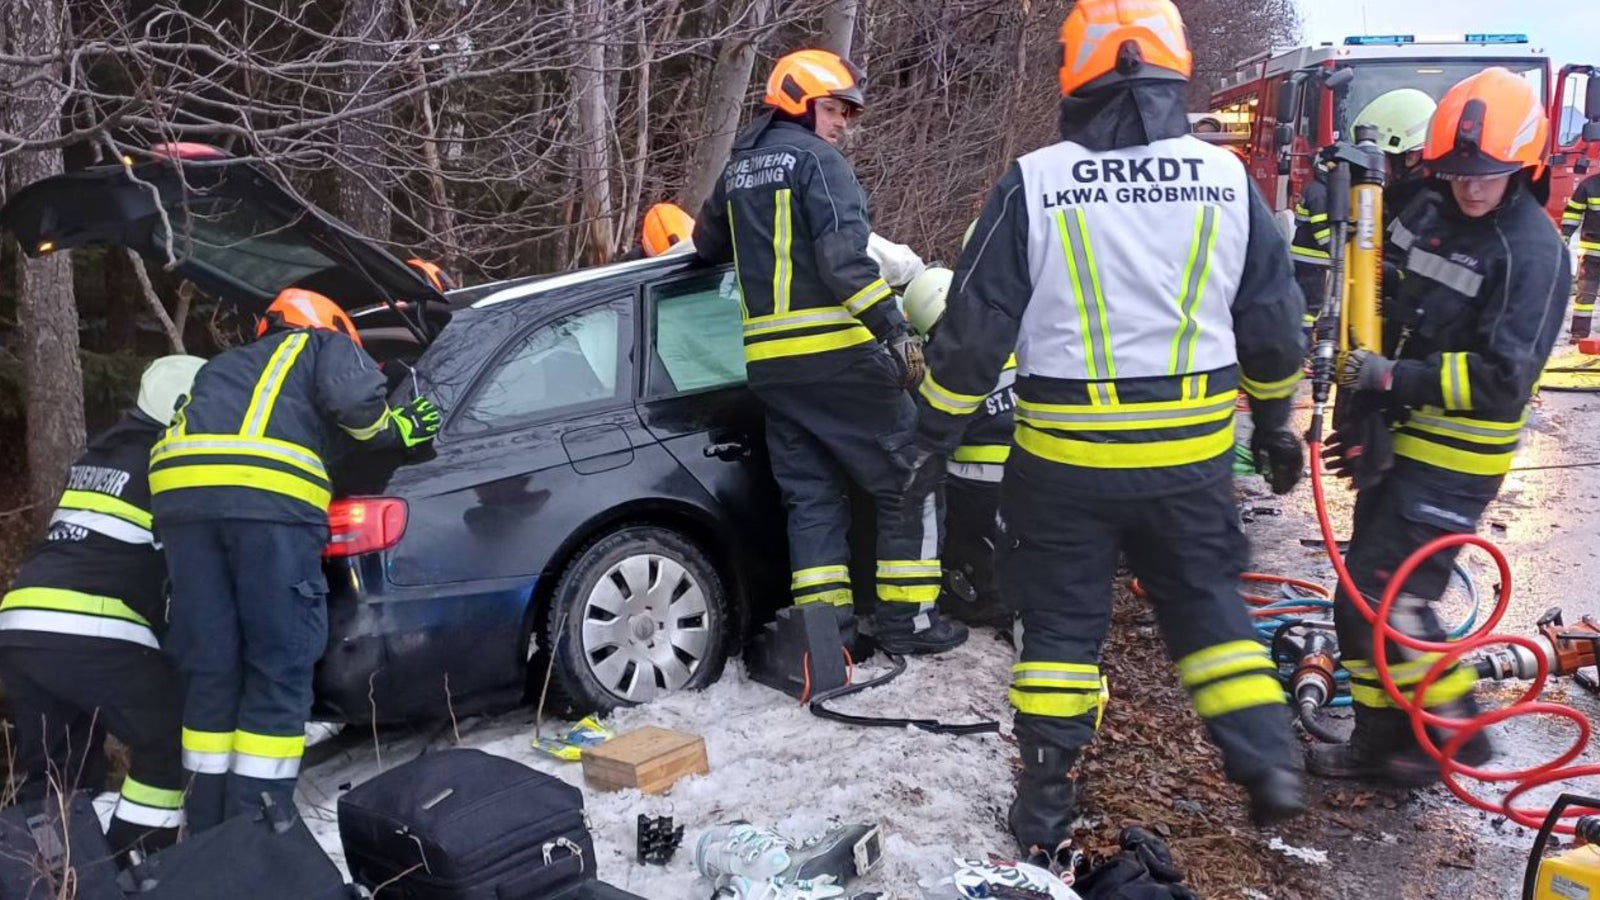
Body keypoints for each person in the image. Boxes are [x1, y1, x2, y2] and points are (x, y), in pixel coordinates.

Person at [906, 0, 1311, 861]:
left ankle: (1045, 804)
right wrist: (1276, 423)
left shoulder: (1037, 180)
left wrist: (931, 436)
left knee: (1059, 634)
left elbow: (975, 333)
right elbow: (1275, 323)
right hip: (1192, 461)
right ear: (1175, 71)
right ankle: (1268, 765)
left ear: (1073, 75)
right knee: (1209, 612)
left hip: (1065, 462)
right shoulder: (1227, 181)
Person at [1311, 68, 1571, 783]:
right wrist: (1361, 412)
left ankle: (1455, 728)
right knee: (1362, 599)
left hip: (1458, 454)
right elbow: (1375, 294)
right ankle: (1384, 742)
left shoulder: (1533, 253)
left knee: (1389, 593)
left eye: (1487, 175)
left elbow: (1502, 380)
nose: (1471, 188)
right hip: (1398, 432)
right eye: (1458, 173)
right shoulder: (1424, 207)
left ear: (1524, 166)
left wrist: (1393, 381)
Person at [693, 48, 966, 656]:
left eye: (848, 112)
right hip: (838, 358)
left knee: (812, 499)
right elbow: (845, 263)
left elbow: (707, 246)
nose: (845, 122)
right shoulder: (820, 163)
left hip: (772, 370)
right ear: (800, 101)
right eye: (837, 108)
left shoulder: (737, 168)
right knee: (911, 479)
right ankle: (909, 622)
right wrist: (894, 329)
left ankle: (827, 638)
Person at [153, 288, 441, 832]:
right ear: (330, 324)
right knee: (278, 664)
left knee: (211, 667)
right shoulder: (322, 344)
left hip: (181, 503)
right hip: (266, 506)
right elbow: (355, 406)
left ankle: (209, 830)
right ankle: (261, 827)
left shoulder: (223, 366)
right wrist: (397, 428)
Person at [0, 355, 204, 860]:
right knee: (169, 742)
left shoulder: (103, 455)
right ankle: (132, 862)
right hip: (91, 626)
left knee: (54, 772)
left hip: (21, 624)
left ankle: (51, 875)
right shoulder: (169, 458)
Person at [901, 264, 1015, 627]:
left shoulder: (941, 363)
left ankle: (982, 592)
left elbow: (932, 433)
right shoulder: (1010, 336)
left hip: (979, 485)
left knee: (930, 493)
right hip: (1039, 471)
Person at [1561, 170, 1600, 341]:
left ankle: (1579, 334)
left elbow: (1572, 213)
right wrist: (1566, 234)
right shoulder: (1588, 185)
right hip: (1591, 253)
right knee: (1585, 295)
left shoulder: (1589, 184)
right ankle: (1579, 334)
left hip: (1590, 251)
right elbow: (1573, 212)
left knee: (1585, 293)